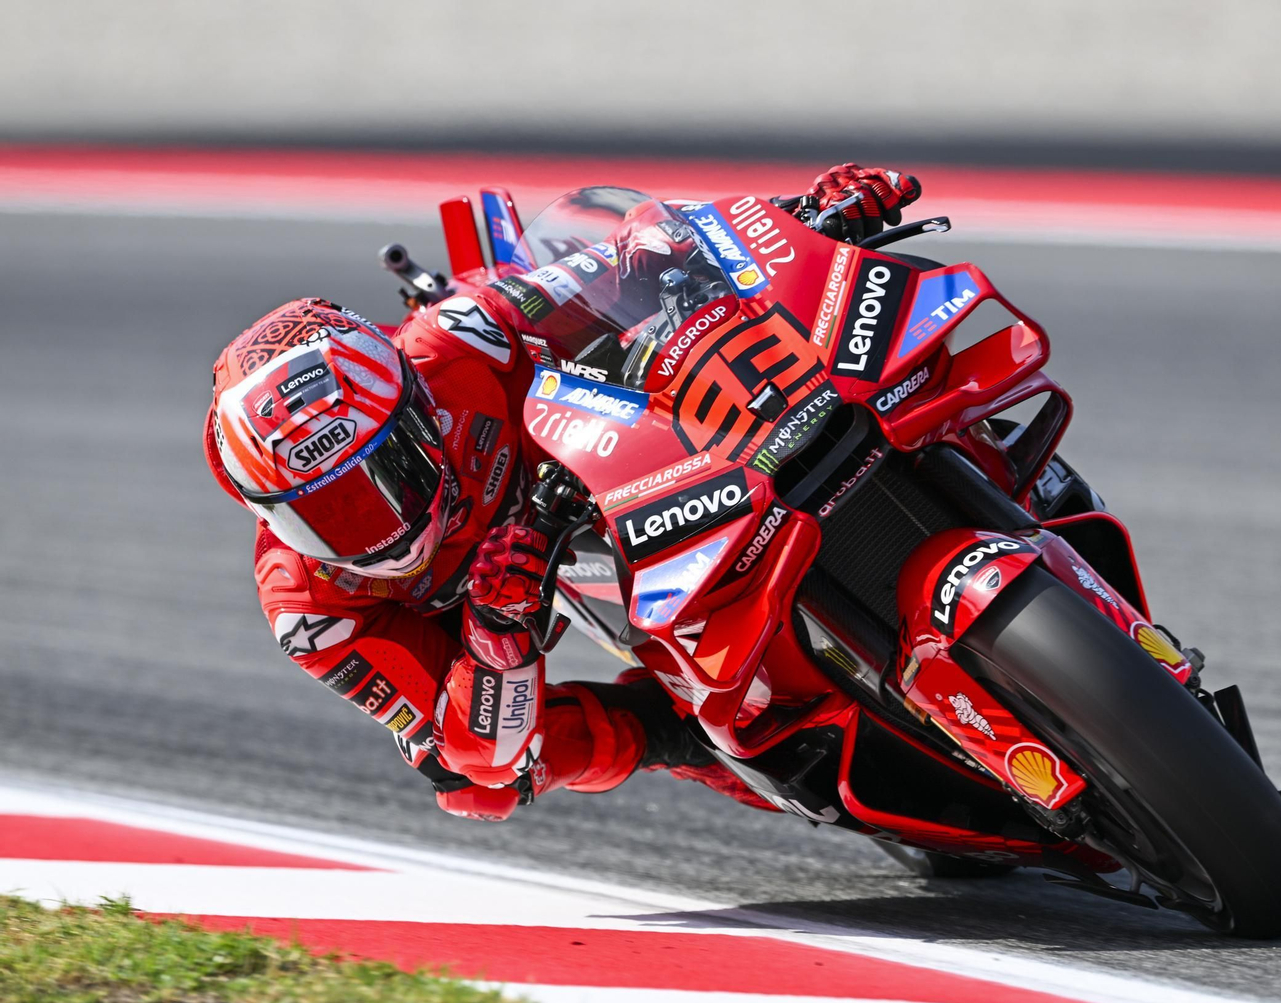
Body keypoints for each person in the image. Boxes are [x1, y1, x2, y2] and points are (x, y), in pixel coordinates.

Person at [203, 164, 921, 821]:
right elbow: (480, 752)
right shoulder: (309, 609)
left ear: (417, 410)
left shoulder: (457, 340)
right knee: (474, 785)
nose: (376, 528)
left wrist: (798, 214)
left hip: (594, 476)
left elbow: (626, 258)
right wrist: (497, 629)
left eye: (383, 477)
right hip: (493, 616)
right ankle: (692, 735)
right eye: (325, 512)